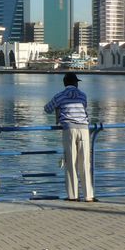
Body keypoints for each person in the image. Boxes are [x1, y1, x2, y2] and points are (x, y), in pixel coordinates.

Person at [44, 72, 96, 202]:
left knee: (71, 162)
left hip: (69, 129)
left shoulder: (59, 96)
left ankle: (73, 196)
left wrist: (58, 110)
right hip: (84, 129)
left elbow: (47, 109)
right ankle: (89, 196)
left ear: (65, 83)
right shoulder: (83, 96)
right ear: (75, 83)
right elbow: (83, 107)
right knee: (85, 163)